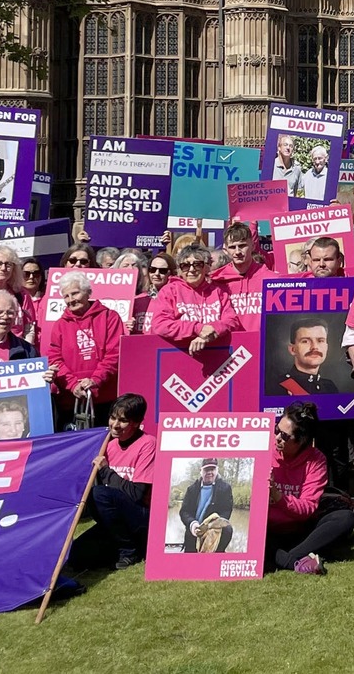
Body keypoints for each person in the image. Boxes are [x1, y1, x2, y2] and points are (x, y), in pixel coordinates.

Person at [267, 403, 354, 575]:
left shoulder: (316, 460)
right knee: (257, 538)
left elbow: (307, 509)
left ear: (302, 441)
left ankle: (285, 557)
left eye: (284, 436)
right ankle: (295, 562)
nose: (277, 437)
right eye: (277, 429)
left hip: (300, 528)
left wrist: (278, 496)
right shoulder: (265, 448)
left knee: (346, 517)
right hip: (268, 529)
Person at [44, 271, 125, 426]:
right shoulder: (60, 325)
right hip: (71, 399)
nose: (71, 300)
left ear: (88, 292)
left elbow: (115, 353)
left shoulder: (110, 317)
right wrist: (72, 384)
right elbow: (54, 358)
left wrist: (95, 379)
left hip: (105, 398)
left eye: (75, 293)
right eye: (66, 296)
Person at [86, 394, 156, 569]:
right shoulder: (107, 445)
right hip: (118, 519)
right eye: (112, 418)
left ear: (137, 422)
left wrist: (105, 470)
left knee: (100, 493)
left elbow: (136, 494)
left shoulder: (148, 444)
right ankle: (123, 544)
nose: (115, 425)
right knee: (77, 558)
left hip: (143, 516)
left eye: (123, 420)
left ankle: (129, 550)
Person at [147, 242, 242, 351]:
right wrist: (197, 328)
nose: (191, 270)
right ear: (180, 270)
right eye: (185, 266)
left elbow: (232, 320)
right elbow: (160, 324)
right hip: (177, 355)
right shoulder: (169, 291)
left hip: (217, 356)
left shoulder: (219, 291)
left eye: (197, 264)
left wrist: (212, 330)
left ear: (206, 267)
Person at [212, 221, 270, 326]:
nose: (238, 252)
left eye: (242, 246)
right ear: (225, 250)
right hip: (228, 341)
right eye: (232, 247)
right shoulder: (216, 280)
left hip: (262, 341)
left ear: (253, 246)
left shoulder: (271, 279)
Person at [178, 458, 236, 553]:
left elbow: (226, 510)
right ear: (201, 471)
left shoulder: (225, 488)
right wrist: (192, 524)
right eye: (206, 469)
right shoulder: (191, 489)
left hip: (214, 531)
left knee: (227, 529)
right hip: (194, 531)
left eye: (212, 469)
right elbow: (184, 511)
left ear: (217, 470)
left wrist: (213, 525)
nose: (209, 472)